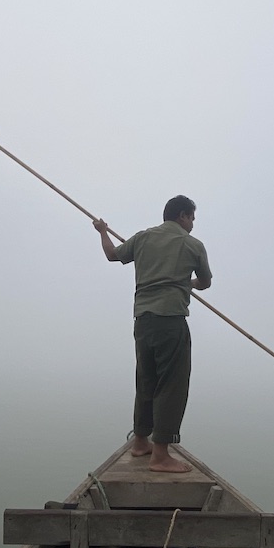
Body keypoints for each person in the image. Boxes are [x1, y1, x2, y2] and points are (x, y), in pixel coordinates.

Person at [93, 195, 212, 473]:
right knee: (172, 384)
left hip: (143, 321)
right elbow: (205, 282)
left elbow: (112, 255)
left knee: (146, 379)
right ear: (182, 216)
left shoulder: (143, 238)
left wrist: (102, 232)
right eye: (192, 218)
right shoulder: (192, 245)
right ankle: (160, 455)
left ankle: (140, 442)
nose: (193, 224)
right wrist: (188, 284)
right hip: (170, 320)